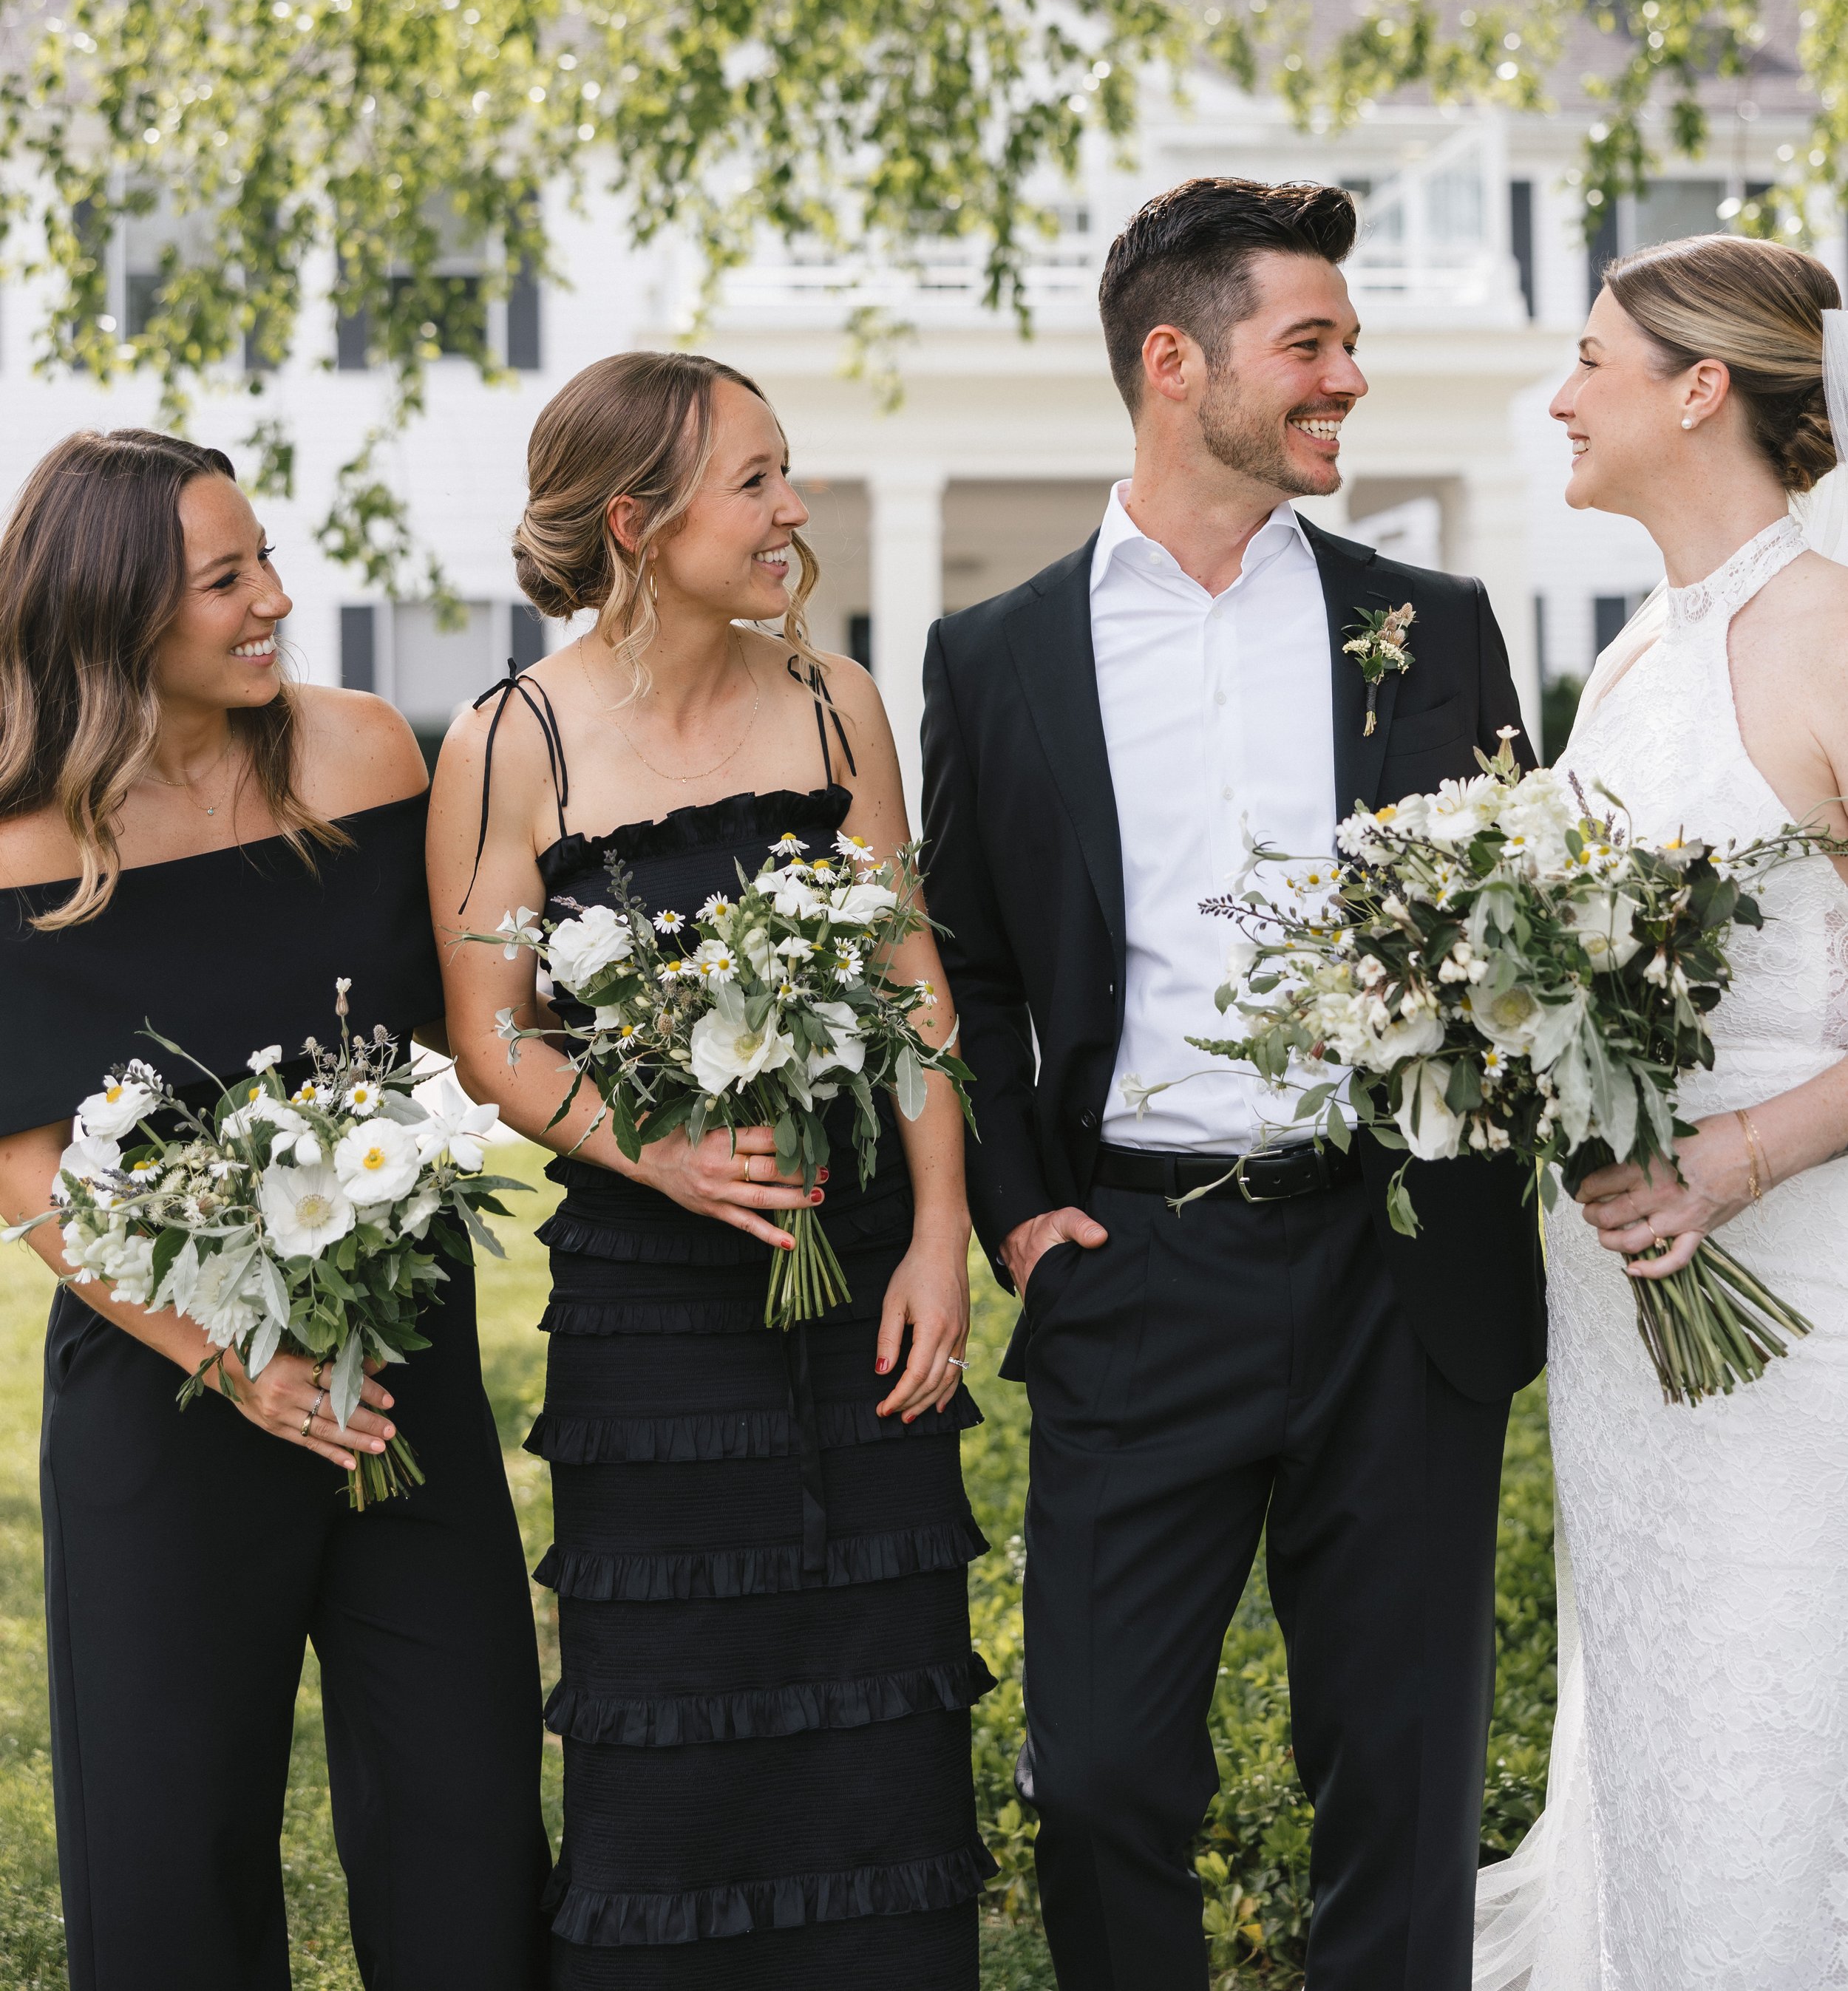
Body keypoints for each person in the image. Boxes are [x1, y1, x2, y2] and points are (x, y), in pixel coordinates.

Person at [922, 176, 1547, 1991]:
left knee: (1401, 1770)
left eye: (1348, 342)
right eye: (1312, 343)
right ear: (1173, 360)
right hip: (1135, 1264)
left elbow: (1511, 915)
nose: (1347, 376)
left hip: (1390, 1261)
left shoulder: (1428, 622)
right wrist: (1032, 1209)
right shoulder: (997, 656)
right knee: (1105, 1769)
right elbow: (963, 954)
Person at [428, 350, 992, 1990]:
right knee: (665, 1699)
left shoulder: (835, 702)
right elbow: (492, 1034)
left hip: (860, 1273)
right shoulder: (510, 740)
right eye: (753, 481)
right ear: (634, 518)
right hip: (647, 1313)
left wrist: (939, 1233)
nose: (791, 510)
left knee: (880, 1685)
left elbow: (912, 987)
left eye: (783, 472)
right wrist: (648, 1147)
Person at [0, 428, 548, 1991]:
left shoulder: (366, 752)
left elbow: (470, 1027)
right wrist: (232, 1357)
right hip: (164, 1388)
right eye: (225, 580)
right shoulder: (17, 838)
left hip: (402, 1368)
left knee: (466, 1812)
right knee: (168, 1852)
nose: (274, 601)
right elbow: (26, 1163)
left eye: (266, 562)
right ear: (110, 614)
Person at [1473, 236, 1848, 1991]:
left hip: (1794, 1304)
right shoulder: (1626, 662)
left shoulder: (1828, 633)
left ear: (1699, 389)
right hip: (1622, 1310)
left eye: (1589, 361)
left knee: (1779, 1697)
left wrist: (1734, 1157)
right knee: (1653, 1703)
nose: (1558, 396)